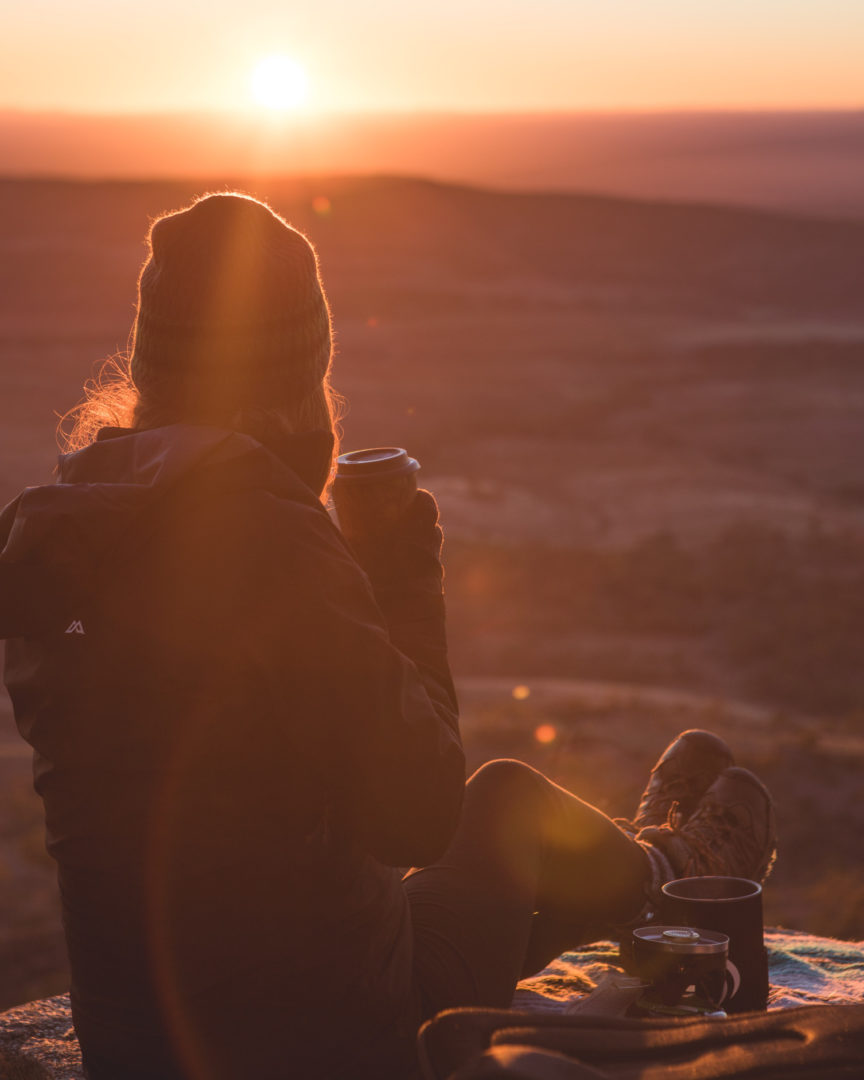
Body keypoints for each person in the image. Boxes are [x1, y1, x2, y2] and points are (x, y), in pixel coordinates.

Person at [0, 193, 777, 1080]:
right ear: (299, 369)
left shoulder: (58, 532)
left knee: (437, 878)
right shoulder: (265, 537)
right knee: (504, 802)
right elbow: (420, 813)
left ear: (149, 361)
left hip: (137, 1046)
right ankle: (667, 871)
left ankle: (645, 873)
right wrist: (402, 576)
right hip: (337, 1047)